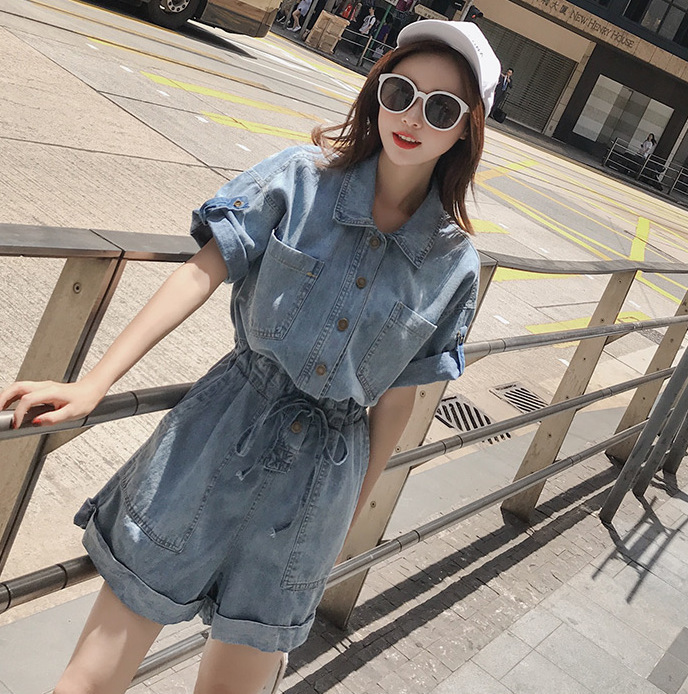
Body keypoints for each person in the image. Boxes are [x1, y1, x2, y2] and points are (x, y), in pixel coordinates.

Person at [0, 19, 500, 694]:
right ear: (377, 92)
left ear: (466, 129)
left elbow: (398, 399)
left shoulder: (453, 263)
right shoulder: (301, 180)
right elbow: (202, 272)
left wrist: (348, 519)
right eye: (399, 92)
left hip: (319, 486)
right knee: (88, 682)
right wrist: (93, 384)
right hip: (216, 436)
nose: (411, 118)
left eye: (440, 109)